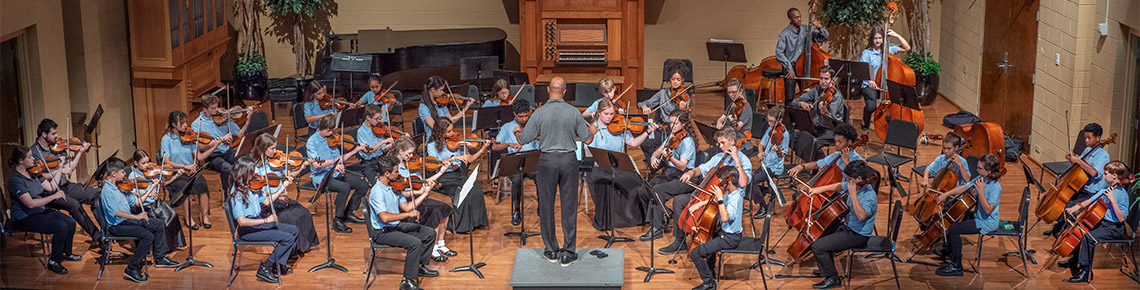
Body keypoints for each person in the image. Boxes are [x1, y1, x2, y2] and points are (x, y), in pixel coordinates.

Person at [516, 76, 592, 266]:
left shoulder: (539, 113)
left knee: (547, 206)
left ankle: (551, 250)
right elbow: (587, 139)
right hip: (568, 160)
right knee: (569, 207)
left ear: (549, 90)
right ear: (565, 92)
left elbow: (524, 139)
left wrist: (518, 132)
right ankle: (568, 252)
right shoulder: (574, 112)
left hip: (547, 161)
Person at [655, 127, 752, 253]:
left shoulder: (744, 161)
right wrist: (690, 173)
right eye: (719, 143)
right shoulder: (719, 157)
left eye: (723, 143)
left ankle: (707, 243)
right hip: (710, 195)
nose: (720, 146)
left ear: (732, 141)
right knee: (679, 201)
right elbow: (701, 169)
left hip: (725, 202)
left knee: (705, 212)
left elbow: (743, 183)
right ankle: (680, 241)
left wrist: (736, 159)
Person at [100, 157, 179, 283]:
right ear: (114, 174)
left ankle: (160, 258)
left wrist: (152, 187)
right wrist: (137, 216)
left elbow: (137, 202)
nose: (125, 174)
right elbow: (117, 213)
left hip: (127, 221)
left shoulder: (121, 187)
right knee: (147, 236)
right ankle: (132, 268)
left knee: (158, 224)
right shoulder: (107, 191)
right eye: (122, 172)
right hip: (117, 226)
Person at [368, 155, 439, 290]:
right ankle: (407, 281)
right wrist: (407, 215)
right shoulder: (377, 192)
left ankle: (419, 267)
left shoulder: (394, 186)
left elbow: (407, 207)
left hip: (395, 227)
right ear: (387, 174)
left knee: (429, 233)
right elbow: (384, 218)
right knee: (415, 243)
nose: (399, 174)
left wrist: (425, 193)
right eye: (396, 172)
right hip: (382, 232)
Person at [7, 146, 81, 274]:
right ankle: (54, 262)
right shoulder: (15, 180)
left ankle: (65, 253)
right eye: (30, 157)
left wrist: (59, 168)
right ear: (20, 161)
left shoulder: (34, 172)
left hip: (39, 211)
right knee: (61, 226)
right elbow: (30, 204)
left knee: (70, 222)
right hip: (24, 217)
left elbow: (52, 187)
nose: (34, 159)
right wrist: (54, 196)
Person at [585, 98, 655, 230]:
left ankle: (630, 212)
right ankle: (608, 219)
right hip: (599, 168)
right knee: (606, 181)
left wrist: (647, 132)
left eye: (612, 114)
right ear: (599, 112)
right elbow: (589, 154)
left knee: (636, 179)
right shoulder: (593, 129)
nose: (610, 117)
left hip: (618, 167)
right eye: (606, 114)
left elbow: (633, 143)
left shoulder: (619, 126)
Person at [28, 119, 102, 243]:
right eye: (53, 134)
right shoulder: (34, 153)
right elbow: (38, 175)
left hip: (65, 185)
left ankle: (108, 232)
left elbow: (69, 167)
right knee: (75, 205)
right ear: (44, 135)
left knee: (97, 195)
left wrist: (80, 152)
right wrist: (59, 171)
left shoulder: (57, 147)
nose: (57, 136)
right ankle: (98, 237)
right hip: (50, 192)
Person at [227, 157, 299, 284]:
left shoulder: (253, 187)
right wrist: (266, 220)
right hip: (248, 230)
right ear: (244, 173)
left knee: (294, 231)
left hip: (258, 225)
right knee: (287, 239)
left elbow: (267, 201)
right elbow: (242, 221)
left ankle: (279, 264)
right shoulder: (237, 194)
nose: (256, 175)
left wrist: (283, 187)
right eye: (252, 172)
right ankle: (266, 267)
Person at [191, 93, 257, 229]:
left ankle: (246, 191)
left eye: (217, 107)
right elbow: (199, 147)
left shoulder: (224, 118)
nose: (218, 111)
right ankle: (229, 197)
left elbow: (239, 134)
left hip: (227, 151)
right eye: (213, 108)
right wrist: (213, 144)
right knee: (228, 169)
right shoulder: (196, 125)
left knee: (246, 161)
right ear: (205, 110)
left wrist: (248, 120)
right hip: (212, 156)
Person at [386, 137, 458, 262]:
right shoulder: (395, 169)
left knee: (445, 208)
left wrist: (441, 172)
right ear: (400, 152)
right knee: (435, 212)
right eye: (408, 153)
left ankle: (441, 243)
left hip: (418, 198)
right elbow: (401, 191)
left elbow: (422, 183)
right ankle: (433, 249)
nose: (411, 156)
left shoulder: (410, 164)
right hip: (405, 205)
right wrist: (420, 192)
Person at [810, 160, 878, 289]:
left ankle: (833, 279)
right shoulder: (856, 184)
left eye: (849, 179)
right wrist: (818, 190)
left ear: (859, 178)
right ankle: (826, 268)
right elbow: (839, 186)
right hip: (848, 227)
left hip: (858, 235)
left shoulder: (869, 196)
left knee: (818, 247)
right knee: (822, 236)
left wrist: (852, 194)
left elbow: (861, 215)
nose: (848, 181)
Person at [1060, 160, 1132, 283]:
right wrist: (1078, 206)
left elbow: (1122, 218)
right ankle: (1074, 260)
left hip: (1114, 228)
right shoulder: (1108, 188)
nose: (1103, 176)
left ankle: (1086, 272)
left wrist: (1113, 200)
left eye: (1105, 174)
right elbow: (1092, 199)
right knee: (1080, 229)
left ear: (1114, 176)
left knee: (1089, 237)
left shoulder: (1122, 194)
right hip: (1103, 222)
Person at [248, 133, 320, 254]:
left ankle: (302, 246)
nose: (276, 151)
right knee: (291, 217)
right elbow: (256, 191)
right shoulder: (254, 167)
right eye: (272, 148)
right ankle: (289, 250)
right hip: (266, 204)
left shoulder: (275, 162)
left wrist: (303, 166)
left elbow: (289, 176)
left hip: (279, 199)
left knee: (304, 212)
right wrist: (278, 194)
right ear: (262, 149)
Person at [932, 154, 1003, 276]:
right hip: (978, 215)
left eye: (980, 168)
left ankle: (957, 266)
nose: (977, 170)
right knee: (954, 218)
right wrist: (946, 194)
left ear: (989, 171)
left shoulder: (996, 187)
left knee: (954, 229)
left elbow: (988, 210)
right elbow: (964, 187)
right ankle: (950, 251)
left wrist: (980, 192)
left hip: (987, 222)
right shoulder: (981, 178)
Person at [635, 109, 698, 241]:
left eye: (675, 123)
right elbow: (657, 151)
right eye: (670, 123)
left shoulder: (687, 142)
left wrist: (670, 158)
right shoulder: (672, 136)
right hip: (671, 174)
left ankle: (656, 228)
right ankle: (665, 213)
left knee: (657, 190)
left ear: (684, 124)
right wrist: (653, 157)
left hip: (685, 177)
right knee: (644, 189)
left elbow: (682, 166)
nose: (671, 126)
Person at [306, 114, 370, 233]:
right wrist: (334, 163)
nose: (331, 133)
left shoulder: (332, 139)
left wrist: (356, 150)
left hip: (335, 173)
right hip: (321, 176)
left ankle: (348, 213)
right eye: (329, 130)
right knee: (344, 188)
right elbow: (316, 164)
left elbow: (339, 159)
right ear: (321, 128)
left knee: (363, 185)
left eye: (332, 130)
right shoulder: (312, 142)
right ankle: (337, 220)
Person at [426, 118, 491, 233]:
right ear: (441, 132)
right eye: (449, 131)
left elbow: (469, 158)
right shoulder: (431, 145)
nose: (453, 134)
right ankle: (461, 226)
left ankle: (476, 222)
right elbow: (433, 165)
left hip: (458, 174)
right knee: (462, 195)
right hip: (443, 177)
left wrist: (482, 149)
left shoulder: (457, 142)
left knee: (476, 191)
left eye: (452, 130)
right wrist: (454, 158)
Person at [687, 166, 746, 290]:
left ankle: (709, 283)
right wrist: (700, 204)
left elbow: (725, 217)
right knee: (710, 238)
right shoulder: (733, 193)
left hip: (730, 238)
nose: (719, 185)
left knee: (695, 253)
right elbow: (717, 201)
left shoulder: (735, 199)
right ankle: (711, 272)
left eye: (721, 182)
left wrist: (719, 198)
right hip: (725, 234)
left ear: (728, 181)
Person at [1047, 123, 1111, 236]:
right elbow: (1078, 166)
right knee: (1062, 201)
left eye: (1089, 138)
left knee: (1070, 206)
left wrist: (1079, 161)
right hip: (1081, 186)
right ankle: (1057, 228)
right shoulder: (1087, 150)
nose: (1086, 141)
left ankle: (1065, 234)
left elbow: (1094, 172)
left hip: (1092, 192)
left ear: (1098, 138)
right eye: (1085, 137)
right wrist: (1071, 159)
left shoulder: (1103, 155)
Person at [159, 111, 212, 230]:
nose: (185, 125)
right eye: (182, 123)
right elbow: (167, 161)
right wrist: (184, 166)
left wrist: (214, 146)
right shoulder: (166, 139)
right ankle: (188, 218)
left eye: (185, 122)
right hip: (175, 173)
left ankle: (205, 217)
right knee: (184, 188)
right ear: (173, 125)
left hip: (189, 172)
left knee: (203, 185)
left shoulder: (189, 136)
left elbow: (199, 157)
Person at [492, 99, 540, 226]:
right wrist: (508, 144)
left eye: (526, 116)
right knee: (517, 180)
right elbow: (494, 147)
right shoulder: (507, 127)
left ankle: (542, 206)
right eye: (521, 116)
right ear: (514, 114)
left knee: (541, 176)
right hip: (515, 163)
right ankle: (517, 210)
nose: (524, 119)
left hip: (531, 161)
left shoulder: (534, 125)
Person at [128, 150, 187, 252]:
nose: (147, 165)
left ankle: (172, 245)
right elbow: (132, 192)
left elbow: (164, 183)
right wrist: (148, 193)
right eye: (143, 163)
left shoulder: (152, 171)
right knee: (161, 222)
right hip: (145, 206)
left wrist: (177, 176)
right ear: (135, 163)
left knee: (172, 215)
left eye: (148, 162)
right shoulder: (132, 176)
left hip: (156, 203)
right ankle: (161, 249)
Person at [858, 26, 911, 130]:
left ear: (883, 39)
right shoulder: (867, 53)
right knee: (871, 106)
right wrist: (869, 80)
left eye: (880, 38)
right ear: (872, 39)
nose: (878, 41)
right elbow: (862, 71)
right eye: (875, 38)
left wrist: (896, 35)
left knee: (894, 104)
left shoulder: (889, 49)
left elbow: (907, 48)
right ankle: (865, 122)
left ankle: (889, 127)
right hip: (870, 85)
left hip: (885, 85)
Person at [776, 7, 830, 103]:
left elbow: (824, 38)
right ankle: (789, 115)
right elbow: (779, 53)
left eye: (800, 17)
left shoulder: (806, 30)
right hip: (790, 67)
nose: (799, 19)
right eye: (796, 17)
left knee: (806, 95)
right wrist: (789, 68)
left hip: (803, 66)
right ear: (790, 19)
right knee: (790, 96)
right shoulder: (784, 34)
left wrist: (820, 27)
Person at [638, 67, 692, 159]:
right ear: (670, 80)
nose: (675, 82)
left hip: (675, 130)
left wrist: (682, 110)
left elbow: (684, 119)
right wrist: (645, 108)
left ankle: (665, 164)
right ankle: (657, 164)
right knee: (645, 144)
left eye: (678, 80)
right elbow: (642, 103)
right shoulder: (662, 93)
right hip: (661, 127)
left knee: (670, 148)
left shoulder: (684, 97)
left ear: (682, 80)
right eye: (673, 79)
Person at [791, 66, 846, 149]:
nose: (823, 82)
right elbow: (794, 102)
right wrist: (801, 103)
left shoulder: (836, 96)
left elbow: (832, 121)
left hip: (830, 130)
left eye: (826, 79)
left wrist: (824, 112)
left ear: (832, 80)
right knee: (796, 138)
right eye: (821, 78)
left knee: (811, 144)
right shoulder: (816, 90)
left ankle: (815, 161)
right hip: (815, 127)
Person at [787, 124, 863, 183]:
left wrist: (846, 162)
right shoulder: (837, 154)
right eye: (835, 141)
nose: (836, 144)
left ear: (849, 142)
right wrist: (801, 166)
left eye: (840, 142)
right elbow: (818, 164)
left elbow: (857, 180)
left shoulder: (858, 160)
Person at [752, 105, 790, 218]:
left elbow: (783, 154)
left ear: (780, 120)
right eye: (769, 121)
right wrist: (760, 152)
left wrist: (778, 150)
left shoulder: (785, 135)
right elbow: (761, 145)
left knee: (752, 181)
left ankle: (763, 206)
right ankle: (770, 191)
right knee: (750, 179)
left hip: (774, 168)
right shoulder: (770, 129)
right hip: (765, 164)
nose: (770, 124)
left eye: (772, 122)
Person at [357, 104, 401, 184]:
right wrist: (383, 142)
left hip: (381, 159)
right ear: (368, 118)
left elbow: (383, 149)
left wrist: (392, 144)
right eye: (376, 119)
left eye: (379, 118)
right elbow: (368, 151)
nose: (378, 121)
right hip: (369, 164)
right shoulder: (361, 132)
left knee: (393, 177)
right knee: (378, 184)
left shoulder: (378, 128)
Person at [712, 78, 755, 156]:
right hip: (730, 140)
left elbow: (738, 127)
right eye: (729, 92)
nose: (731, 95)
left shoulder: (746, 107)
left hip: (741, 144)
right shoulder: (733, 104)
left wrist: (733, 122)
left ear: (741, 91)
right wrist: (719, 122)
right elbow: (722, 117)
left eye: (734, 92)